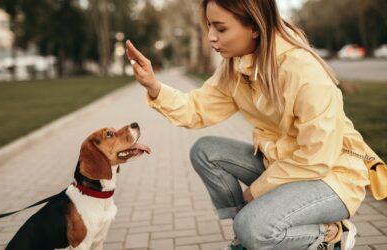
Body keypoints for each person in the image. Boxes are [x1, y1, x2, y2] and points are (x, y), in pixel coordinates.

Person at [125, 0, 383, 249]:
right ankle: (251, 236)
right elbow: (196, 109)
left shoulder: (303, 71)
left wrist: (254, 193)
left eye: (221, 28)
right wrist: (154, 86)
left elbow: (316, 159)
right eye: (209, 27)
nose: (211, 37)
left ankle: (332, 235)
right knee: (205, 151)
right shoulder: (236, 67)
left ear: (255, 27)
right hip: (284, 165)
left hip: (331, 177)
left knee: (252, 227)